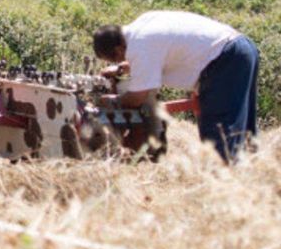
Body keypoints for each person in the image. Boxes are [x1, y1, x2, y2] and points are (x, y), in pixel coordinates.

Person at [92, 10, 259, 162]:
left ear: (118, 49)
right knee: (243, 131)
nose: (119, 61)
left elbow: (137, 97)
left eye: (115, 59)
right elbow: (157, 56)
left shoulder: (140, 45)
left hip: (224, 59)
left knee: (220, 134)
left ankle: (226, 187)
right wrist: (122, 68)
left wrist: (111, 101)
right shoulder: (141, 26)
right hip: (240, 48)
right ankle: (254, 176)